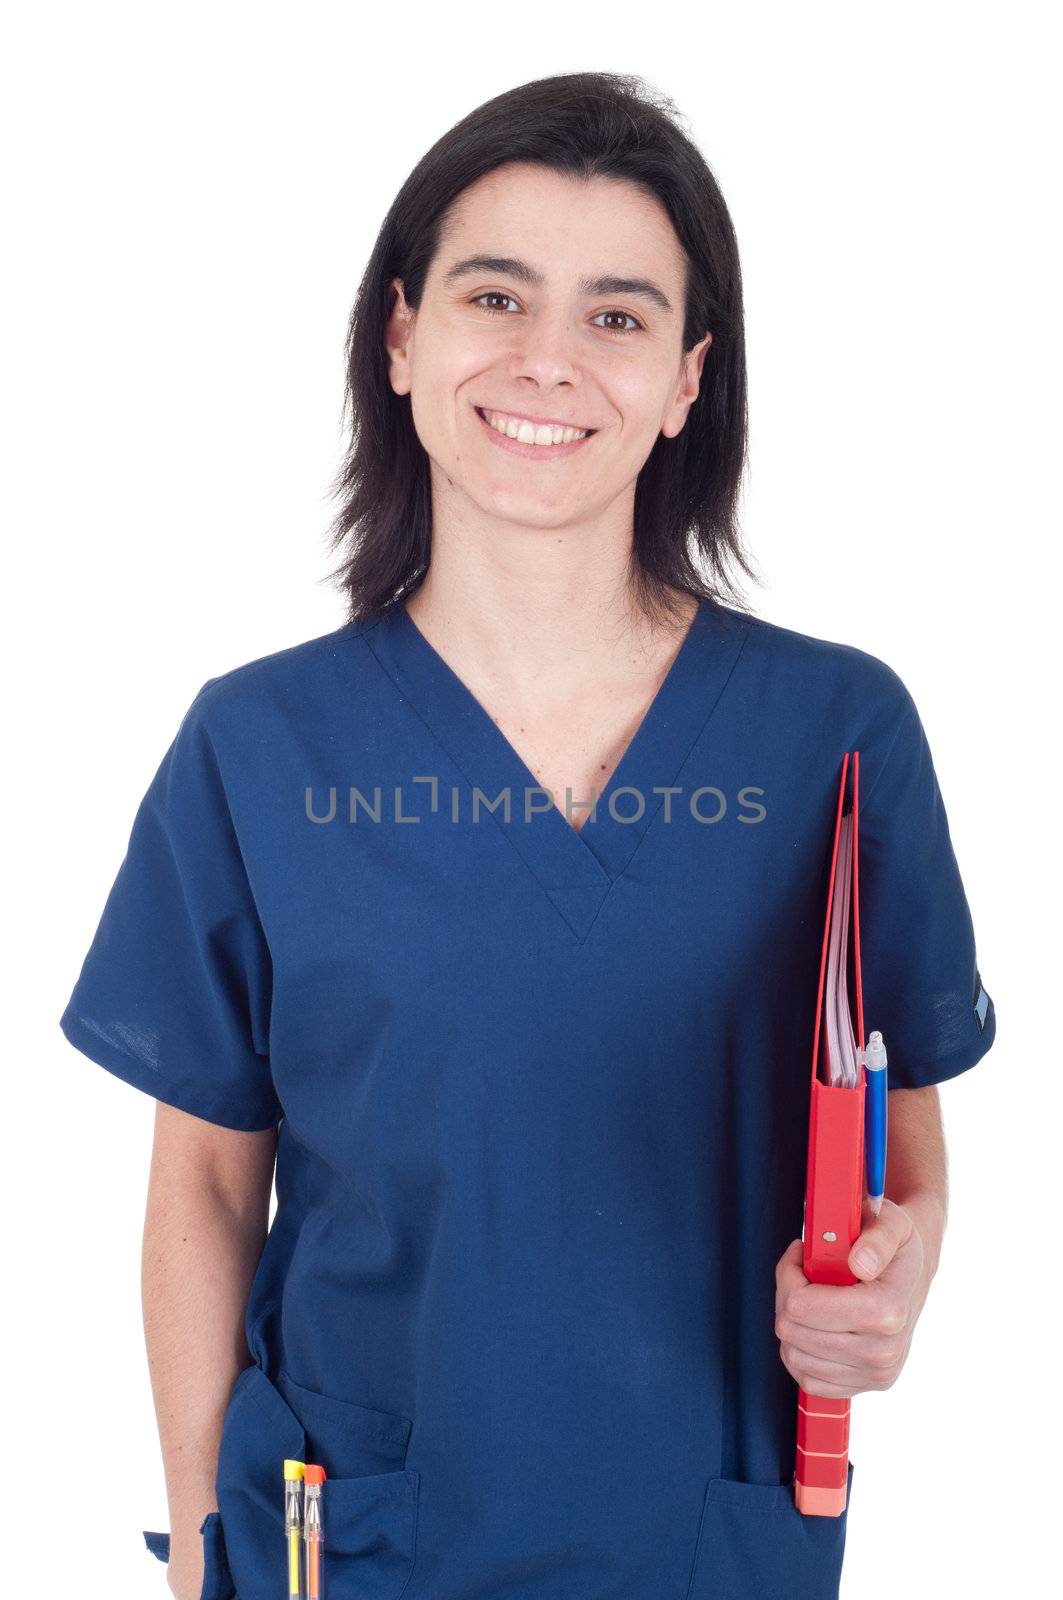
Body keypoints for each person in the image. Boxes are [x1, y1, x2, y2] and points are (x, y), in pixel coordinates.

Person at [59, 70, 997, 1600]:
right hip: (348, 1536)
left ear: (691, 378)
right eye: (499, 296)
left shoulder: (830, 735)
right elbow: (207, 1186)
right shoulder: (260, 747)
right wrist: (198, 1552)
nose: (550, 359)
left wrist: (909, 1262)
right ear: (405, 333)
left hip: (705, 1531)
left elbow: (893, 1110)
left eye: (619, 317)